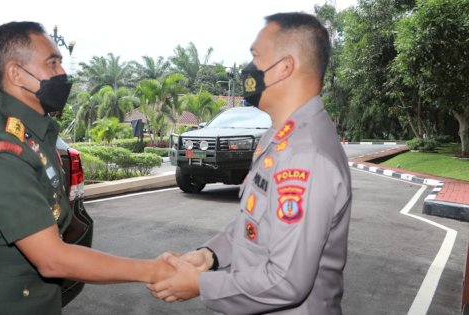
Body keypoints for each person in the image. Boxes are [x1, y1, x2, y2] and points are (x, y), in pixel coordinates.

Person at [0, 21, 173, 315]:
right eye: (52, 63)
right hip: (3, 302)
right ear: (16, 73)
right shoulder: (0, 146)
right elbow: (51, 258)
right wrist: (152, 270)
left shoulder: (34, 132)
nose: (63, 74)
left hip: (34, 298)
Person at [148, 12, 352, 315]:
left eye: (256, 56)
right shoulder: (280, 136)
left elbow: (286, 282)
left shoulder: (306, 155)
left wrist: (202, 284)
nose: (249, 69)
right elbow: (256, 223)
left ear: (284, 68)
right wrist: (211, 255)